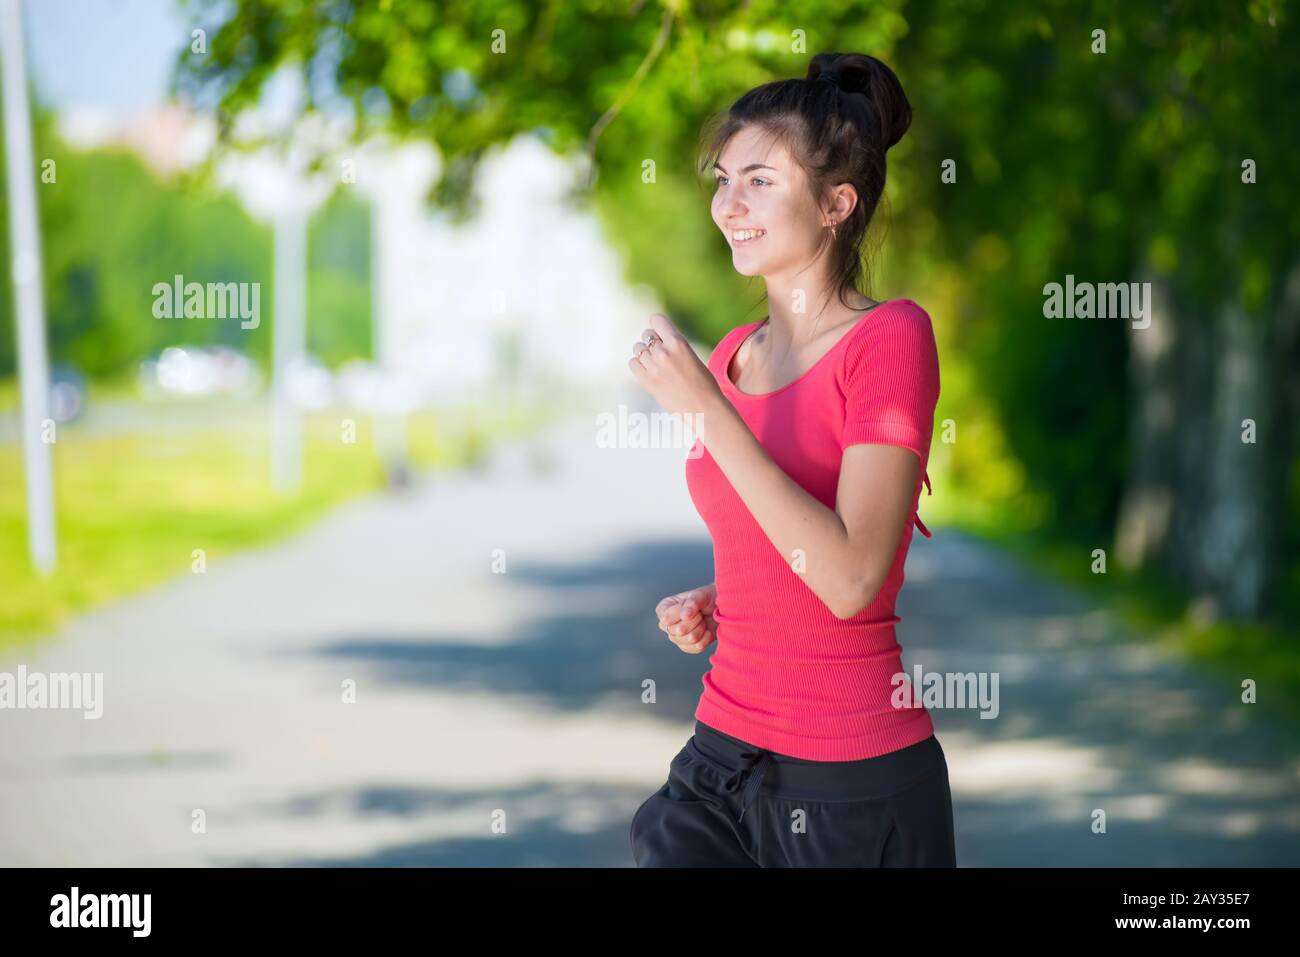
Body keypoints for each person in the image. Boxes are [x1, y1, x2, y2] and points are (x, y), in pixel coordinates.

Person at [626, 52, 955, 867]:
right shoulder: (737, 351)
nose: (728, 204)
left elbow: (849, 579)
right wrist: (725, 594)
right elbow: (782, 533)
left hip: (850, 782)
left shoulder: (890, 339)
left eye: (760, 181)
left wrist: (704, 407)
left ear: (838, 203)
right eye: (722, 177)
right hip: (719, 759)